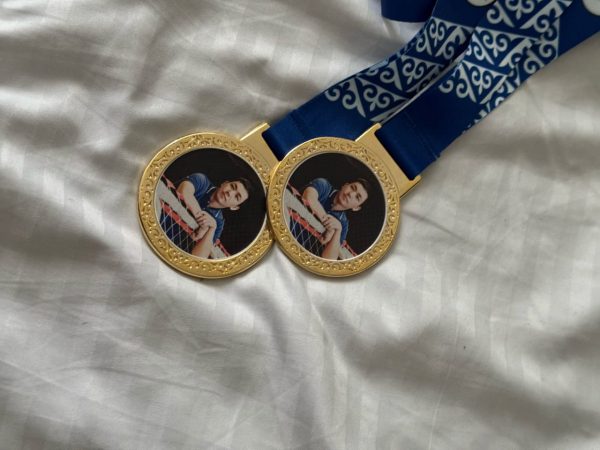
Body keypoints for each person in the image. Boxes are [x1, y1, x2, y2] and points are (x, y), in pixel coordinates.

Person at [176, 173, 251, 258]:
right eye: (232, 186)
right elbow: (183, 191)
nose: (230, 193)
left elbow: (199, 257)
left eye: (237, 197)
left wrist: (212, 228)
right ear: (224, 183)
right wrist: (204, 224)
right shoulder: (202, 180)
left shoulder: (218, 223)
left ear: (234, 207)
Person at [301, 177, 369, 260]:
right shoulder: (323, 185)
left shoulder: (343, 224)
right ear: (345, 185)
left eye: (357, 197)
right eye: (352, 187)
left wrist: (338, 230)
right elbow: (308, 197)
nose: (351, 194)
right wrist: (331, 228)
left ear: (356, 208)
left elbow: (329, 258)